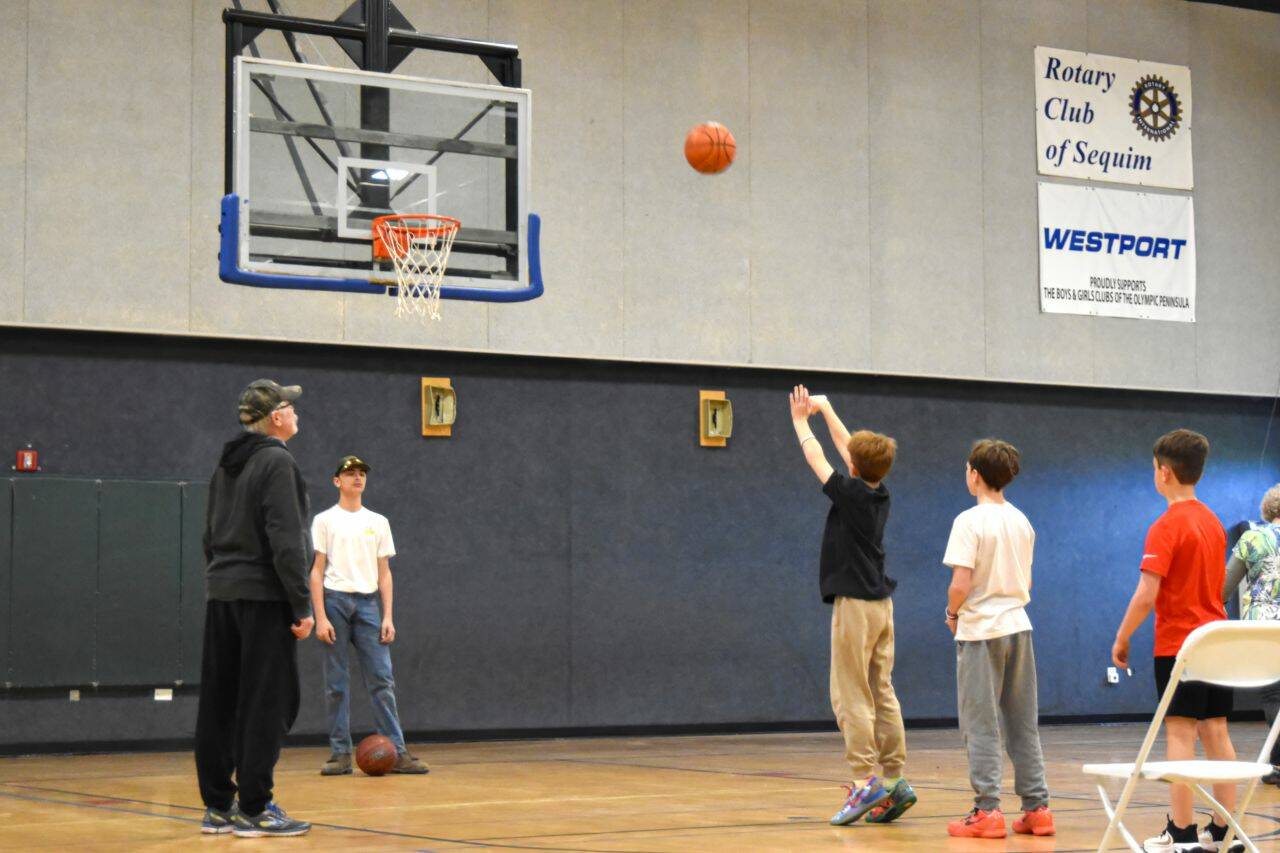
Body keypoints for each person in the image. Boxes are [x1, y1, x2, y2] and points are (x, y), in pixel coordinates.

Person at [788, 385, 916, 827]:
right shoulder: (879, 492)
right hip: (882, 605)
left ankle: (864, 782)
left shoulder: (851, 494)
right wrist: (826, 409)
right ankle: (896, 779)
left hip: (857, 606)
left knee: (850, 694)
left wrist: (801, 420)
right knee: (882, 690)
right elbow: (849, 450)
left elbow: (818, 458)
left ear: (855, 468)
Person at [1112, 429, 1242, 853]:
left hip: (1180, 646)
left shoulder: (1165, 526)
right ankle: (1224, 829)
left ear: (1163, 473)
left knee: (1181, 733)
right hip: (1216, 643)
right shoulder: (1213, 523)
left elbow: (1147, 593)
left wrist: (1123, 634)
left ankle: (1182, 831)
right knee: (1217, 731)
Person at [195, 379, 313, 838]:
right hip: (264, 599)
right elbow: (287, 541)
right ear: (277, 417)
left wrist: (224, 579)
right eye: (292, 407)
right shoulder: (277, 462)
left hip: (221, 594)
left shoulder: (224, 466)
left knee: (220, 702)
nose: (298, 414)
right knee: (269, 702)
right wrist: (301, 605)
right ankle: (256, 808)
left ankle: (219, 806)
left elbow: (208, 537)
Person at [942, 439, 1054, 840]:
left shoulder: (968, 522)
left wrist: (953, 613)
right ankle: (1038, 808)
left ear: (975, 474)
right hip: (1019, 627)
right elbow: (1026, 580)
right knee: (1023, 722)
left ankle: (987, 810)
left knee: (981, 722)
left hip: (981, 631)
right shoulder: (1022, 521)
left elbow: (960, 583)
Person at [311, 456, 428, 775]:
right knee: (336, 683)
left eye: (361, 473)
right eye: (350, 474)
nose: (357, 478)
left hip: (368, 605)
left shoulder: (378, 522)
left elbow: (385, 573)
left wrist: (387, 615)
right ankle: (339, 754)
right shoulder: (324, 520)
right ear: (337, 481)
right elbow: (317, 571)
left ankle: (398, 751)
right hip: (335, 601)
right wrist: (320, 616)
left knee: (382, 679)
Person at [1222, 483, 1280, 786]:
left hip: (1265, 625)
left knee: (1273, 693)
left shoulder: (1253, 537)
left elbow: (1224, 587)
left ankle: (1278, 765)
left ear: (1268, 510)